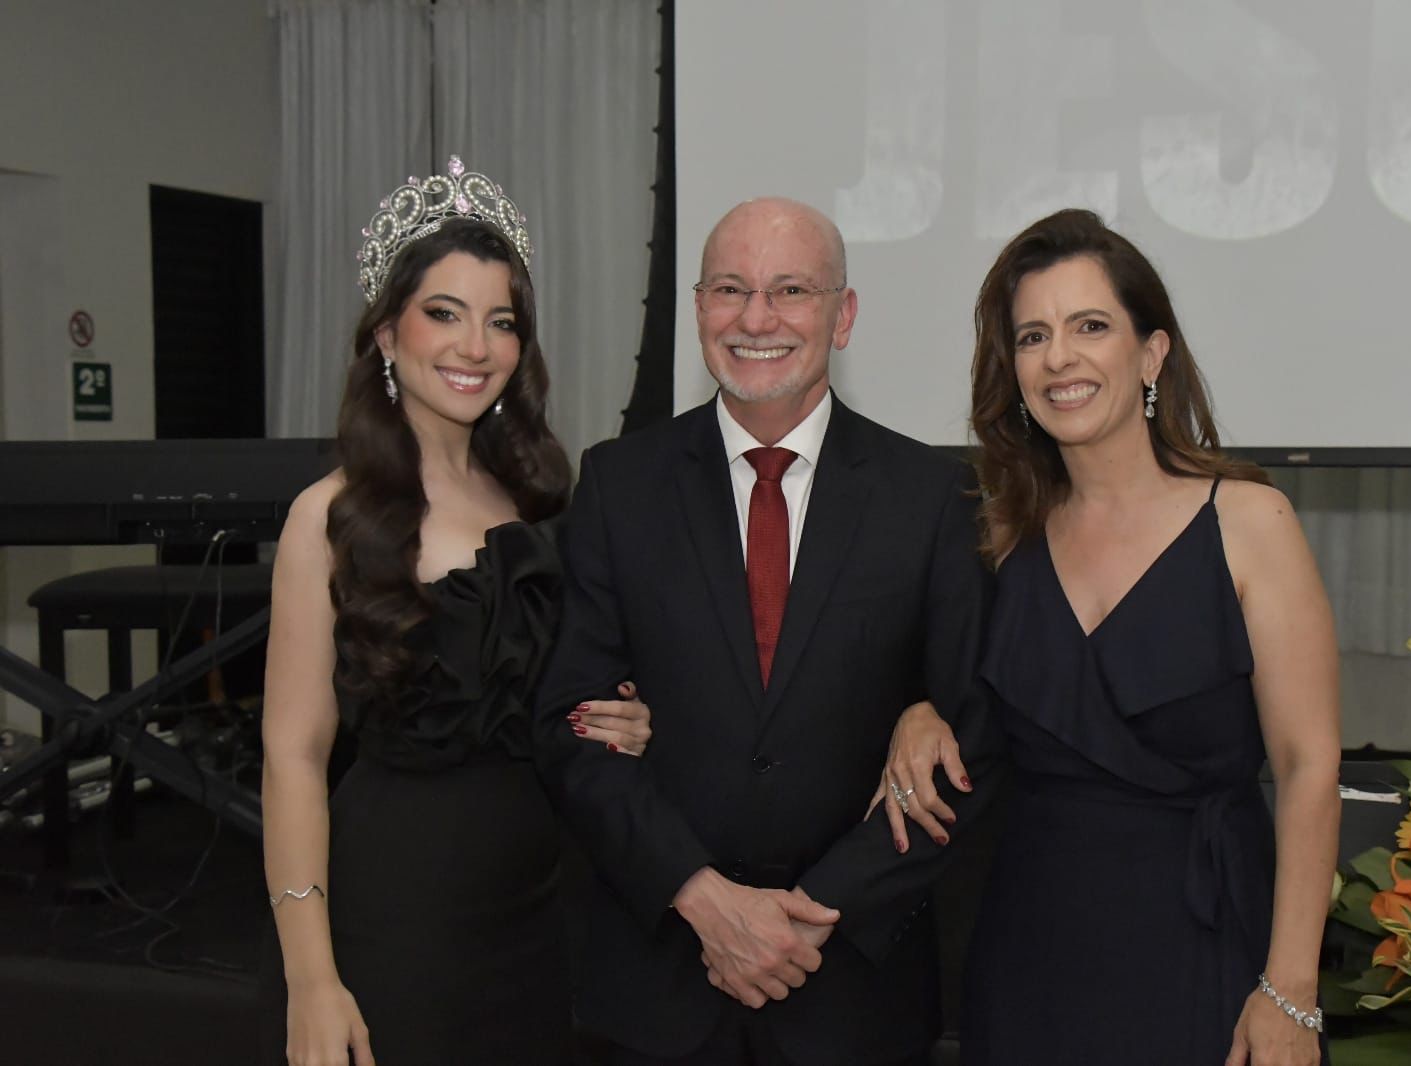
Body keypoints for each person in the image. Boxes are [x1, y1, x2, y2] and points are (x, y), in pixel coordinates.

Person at [532, 197, 1003, 1066]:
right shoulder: (616, 485)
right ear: (699, 309)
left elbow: (972, 740)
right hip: (661, 978)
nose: (757, 319)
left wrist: (808, 914)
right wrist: (705, 899)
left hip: (853, 982)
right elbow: (572, 725)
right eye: (729, 290)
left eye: (791, 289)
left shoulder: (931, 497)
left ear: (844, 315)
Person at [880, 208, 1340, 1065]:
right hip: (1032, 956)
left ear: (1152, 352)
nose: (1060, 358)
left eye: (1090, 326)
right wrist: (918, 710)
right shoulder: (1003, 536)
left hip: (1206, 948)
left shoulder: (1247, 520)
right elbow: (955, 695)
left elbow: (1311, 767)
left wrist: (1292, 991)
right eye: (1032, 336)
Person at [258, 157, 650, 1066]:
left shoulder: (545, 504)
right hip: (398, 910)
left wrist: (623, 717)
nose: (476, 345)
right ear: (388, 333)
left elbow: (568, 695)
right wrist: (312, 981)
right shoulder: (332, 516)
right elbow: (293, 755)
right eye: (445, 313)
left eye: (501, 321)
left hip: (543, 907)